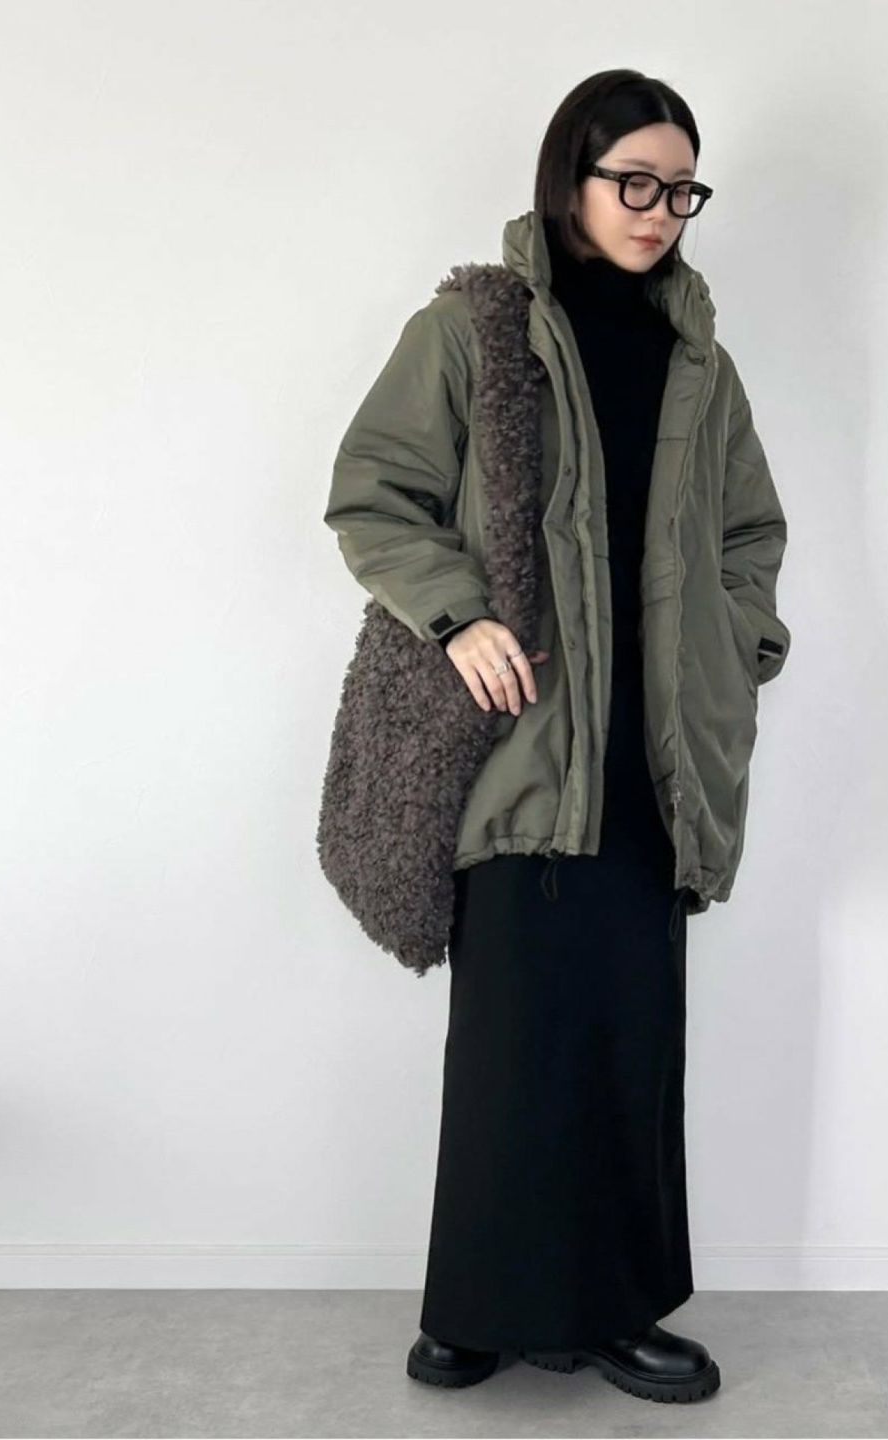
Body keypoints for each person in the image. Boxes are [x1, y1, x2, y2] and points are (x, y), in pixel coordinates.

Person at [324, 69, 791, 1406]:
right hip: (523, 743)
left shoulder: (700, 361)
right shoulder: (477, 331)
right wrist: (457, 615)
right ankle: (475, 1310)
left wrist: (736, 649)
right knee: (511, 1043)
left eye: (681, 189)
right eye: (632, 180)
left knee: (629, 1039)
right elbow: (374, 493)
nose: (658, 209)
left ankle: (617, 1310)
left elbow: (749, 534)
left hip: (656, 754)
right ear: (570, 179)